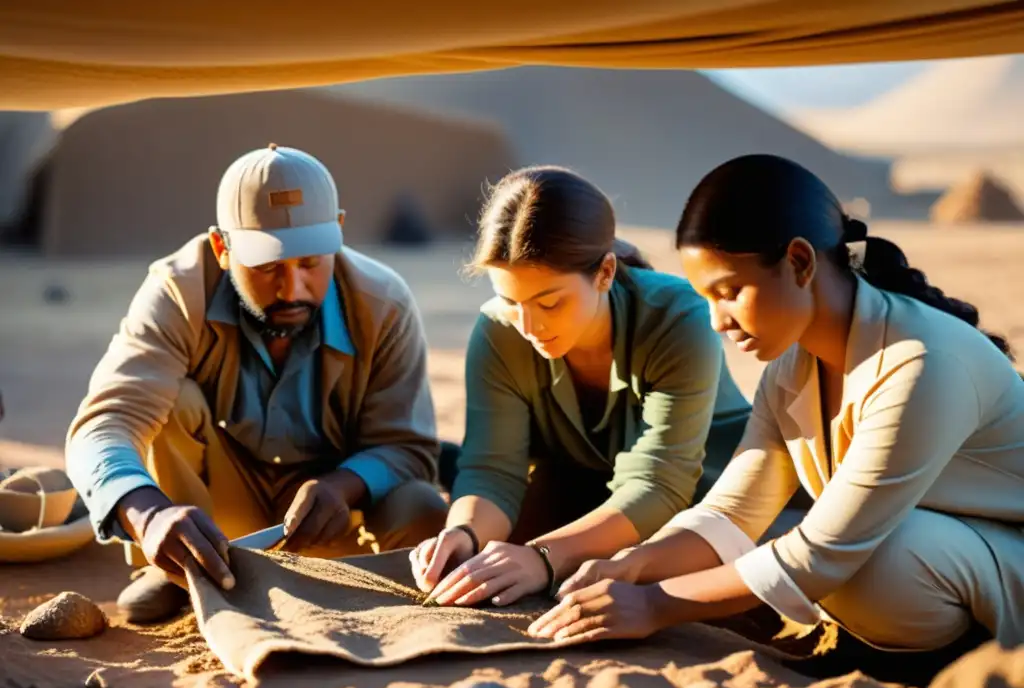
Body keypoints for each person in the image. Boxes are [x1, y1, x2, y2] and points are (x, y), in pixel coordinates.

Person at [528, 154, 1024, 653]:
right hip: (944, 553)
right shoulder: (791, 369)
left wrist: (654, 603)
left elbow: (824, 554)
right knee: (804, 544)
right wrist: (631, 563)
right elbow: (732, 512)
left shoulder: (918, 362)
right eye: (706, 298)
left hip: (1005, 558)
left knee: (874, 564)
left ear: (800, 263)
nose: (718, 321)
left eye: (730, 292)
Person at [66, 144, 448, 622]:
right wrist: (150, 515)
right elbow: (104, 425)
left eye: (310, 263)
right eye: (267, 267)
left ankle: (345, 579)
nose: (292, 289)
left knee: (420, 506)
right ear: (223, 249)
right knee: (172, 404)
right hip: (211, 514)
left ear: (339, 233)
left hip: (333, 520)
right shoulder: (178, 291)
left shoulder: (383, 302)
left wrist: (344, 486)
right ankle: (183, 567)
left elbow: (407, 446)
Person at [409, 165, 753, 607]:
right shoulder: (500, 330)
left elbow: (660, 484)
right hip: (578, 501)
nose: (529, 326)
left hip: (702, 515)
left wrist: (543, 557)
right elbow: (493, 470)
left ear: (605, 273)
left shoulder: (678, 317)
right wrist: (465, 532)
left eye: (549, 302)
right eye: (511, 301)